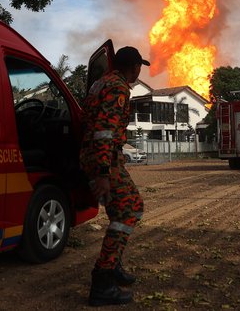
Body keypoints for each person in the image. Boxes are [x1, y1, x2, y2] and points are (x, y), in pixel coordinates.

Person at [80, 46, 148, 306]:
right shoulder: (118, 87)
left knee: (124, 209)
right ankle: (103, 280)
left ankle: (113, 265)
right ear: (134, 67)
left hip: (99, 156)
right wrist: (102, 174)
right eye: (139, 67)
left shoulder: (101, 82)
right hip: (103, 159)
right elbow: (104, 131)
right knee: (130, 211)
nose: (139, 71)